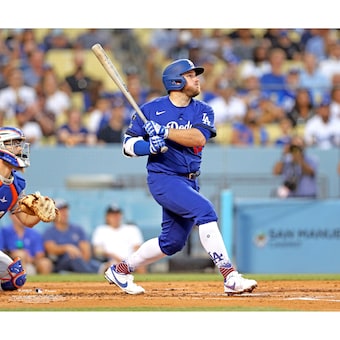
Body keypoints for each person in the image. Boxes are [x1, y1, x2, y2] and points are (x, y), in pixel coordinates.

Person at [104, 58, 258, 295]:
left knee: (172, 242)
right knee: (205, 212)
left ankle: (121, 270)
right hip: (163, 177)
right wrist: (150, 147)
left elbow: (198, 138)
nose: (197, 79)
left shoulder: (203, 110)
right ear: (176, 81)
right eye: (190, 75)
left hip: (190, 179)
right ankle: (230, 276)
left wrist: (163, 132)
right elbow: (128, 145)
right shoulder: (151, 110)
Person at [0, 126, 56, 291]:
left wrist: (40, 212)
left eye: (20, 144)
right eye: (14, 144)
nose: (19, 148)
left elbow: (26, 220)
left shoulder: (16, 184)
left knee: (15, 278)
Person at [43, 199, 102, 273]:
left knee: (94, 264)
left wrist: (79, 260)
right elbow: (51, 249)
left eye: (65, 210)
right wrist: (67, 248)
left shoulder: (78, 229)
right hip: (61, 263)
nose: (64, 213)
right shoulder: (49, 232)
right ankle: (91, 274)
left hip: (80, 261)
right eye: (61, 210)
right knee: (71, 256)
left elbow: (86, 252)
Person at [91, 203, 146, 273]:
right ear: (107, 217)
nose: (115, 217)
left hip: (131, 261)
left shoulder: (132, 229)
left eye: (117, 214)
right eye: (112, 215)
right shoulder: (101, 230)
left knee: (140, 264)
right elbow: (98, 251)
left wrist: (129, 261)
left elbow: (137, 248)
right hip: (110, 261)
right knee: (107, 267)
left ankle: (144, 282)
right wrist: (114, 256)